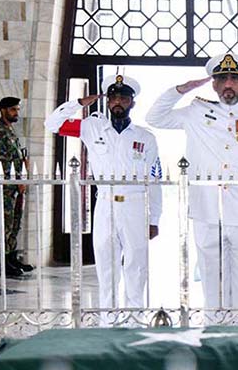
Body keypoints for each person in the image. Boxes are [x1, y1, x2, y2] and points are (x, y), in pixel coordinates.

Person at [146, 52, 238, 309]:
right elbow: (154, 117)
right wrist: (180, 90)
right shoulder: (195, 111)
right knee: (212, 283)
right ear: (213, 84)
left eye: (235, 79)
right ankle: (215, 334)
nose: (228, 84)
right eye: (222, 78)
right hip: (207, 210)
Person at [45, 75, 162, 310]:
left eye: (124, 98)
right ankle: (108, 315)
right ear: (107, 102)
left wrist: (154, 218)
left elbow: (155, 180)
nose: (118, 102)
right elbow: (52, 124)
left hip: (135, 204)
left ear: (132, 103)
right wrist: (79, 103)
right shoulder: (92, 127)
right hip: (105, 204)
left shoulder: (145, 137)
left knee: (136, 264)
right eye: (113, 98)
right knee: (106, 263)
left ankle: (135, 314)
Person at [0, 97, 32, 278]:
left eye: (17, 109)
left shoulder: (10, 130)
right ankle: (2, 263)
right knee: (5, 222)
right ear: (3, 110)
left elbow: (16, 157)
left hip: (16, 183)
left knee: (15, 221)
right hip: (6, 184)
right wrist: (17, 181)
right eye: (13, 109)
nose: (16, 113)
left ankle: (11, 258)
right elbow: (2, 161)